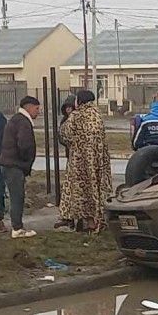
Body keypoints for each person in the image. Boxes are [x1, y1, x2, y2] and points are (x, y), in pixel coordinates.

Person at [56, 90, 113, 232]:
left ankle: (88, 223)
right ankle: (98, 221)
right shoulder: (97, 114)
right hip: (99, 161)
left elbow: (65, 135)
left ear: (79, 101)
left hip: (81, 162)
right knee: (97, 188)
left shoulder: (77, 116)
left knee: (82, 192)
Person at [0, 96, 40, 239]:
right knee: (17, 197)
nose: (38, 112)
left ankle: (17, 226)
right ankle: (17, 228)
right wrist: (26, 162)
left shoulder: (16, 120)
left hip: (10, 164)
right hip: (14, 165)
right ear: (28, 107)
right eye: (37, 108)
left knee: (16, 196)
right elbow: (24, 144)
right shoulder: (23, 122)